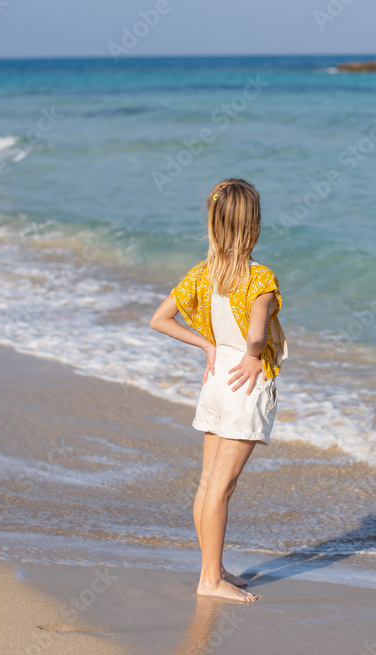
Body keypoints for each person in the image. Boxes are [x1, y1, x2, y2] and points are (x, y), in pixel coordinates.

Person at [150, 178, 287, 603]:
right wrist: (253, 355)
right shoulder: (260, 277)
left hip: (215, 377)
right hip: (244, 381)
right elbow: (257, 333)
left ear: (214, 223)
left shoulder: (203, 273)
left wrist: (207, 345)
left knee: (208, 483)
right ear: (254, 227)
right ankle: (210, 580)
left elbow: (160, 319)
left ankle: (214, 567)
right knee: (222, 488)